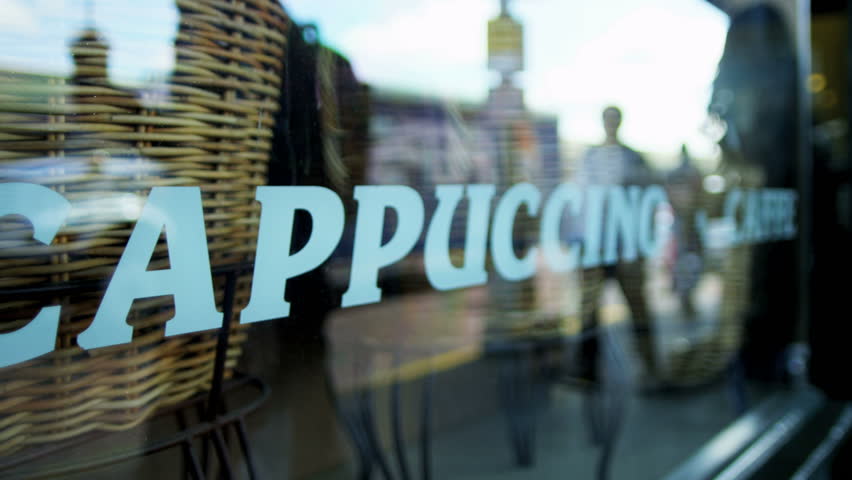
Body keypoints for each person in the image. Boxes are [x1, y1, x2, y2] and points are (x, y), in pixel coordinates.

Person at [576, 106, 658, 384]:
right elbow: (581, 202)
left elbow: (647, 203)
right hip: (596, 246)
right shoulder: (590, 157)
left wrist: (639, 247)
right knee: (589, 311)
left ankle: (650, 366)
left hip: (625, 247)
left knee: (638, 308)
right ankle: (587, 370)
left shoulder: (633, 158)